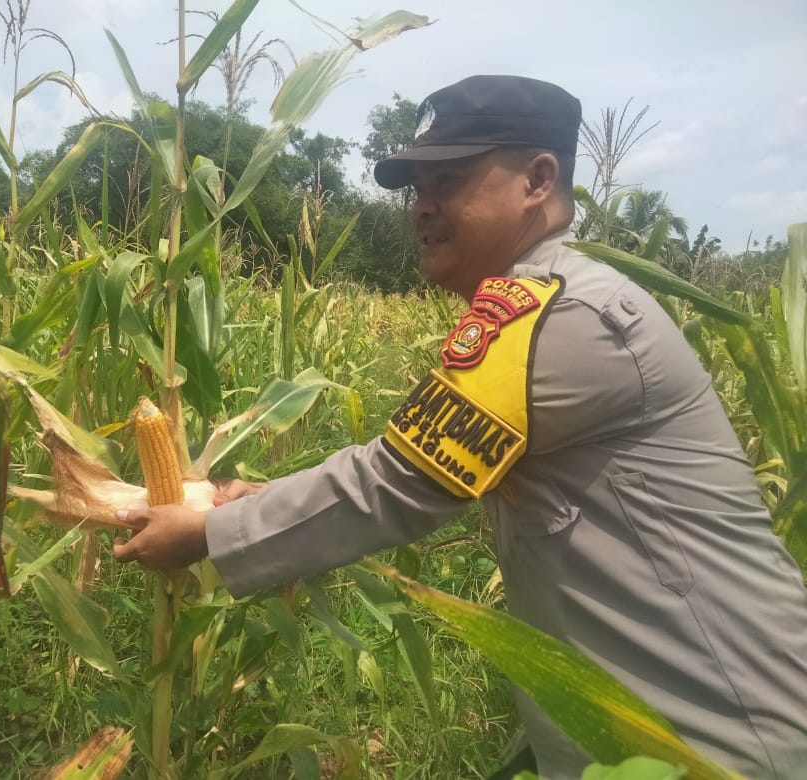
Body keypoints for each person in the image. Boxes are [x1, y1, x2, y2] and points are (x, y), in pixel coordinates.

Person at [112, 75, 807, 778]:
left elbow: (395, 481)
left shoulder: (563, 318)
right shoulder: (541, 308)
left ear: (538, 179)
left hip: (724, 737)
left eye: (449, 180)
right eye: (418, 188)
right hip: (632, 736)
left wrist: (205, 533)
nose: (423, 207)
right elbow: (411, 459)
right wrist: (248, 503)